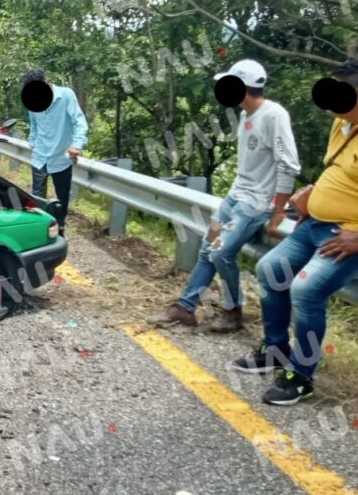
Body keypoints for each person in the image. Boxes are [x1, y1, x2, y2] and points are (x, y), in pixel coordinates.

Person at [231, 60, 358, 405]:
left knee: (305, 289)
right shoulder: (342, 124)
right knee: (269, 269)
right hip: (314, 223)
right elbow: (340, 171)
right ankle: (275, 349)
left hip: (346, 236)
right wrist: (312, 193)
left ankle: (301, 376)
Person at [148, 59, 301, 333]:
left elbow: (288, 164)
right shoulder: (245, 116)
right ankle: (185, 308)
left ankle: (233, 310)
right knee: (208, 247)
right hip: (236, 195)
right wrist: (226, 206)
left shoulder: (274, 115)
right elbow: (246, 168)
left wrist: (279, 209)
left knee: (220, 252)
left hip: (256, 203)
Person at [22, 68, 88, 235]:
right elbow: (34, 125)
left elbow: (79, 122)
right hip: (40, 156)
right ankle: (40, 232)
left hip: (61, 157)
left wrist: (77, 145)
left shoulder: (65, 95)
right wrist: (32, 141)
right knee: (37, 198)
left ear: (47, 81)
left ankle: (60, 230)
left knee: (62, 199)